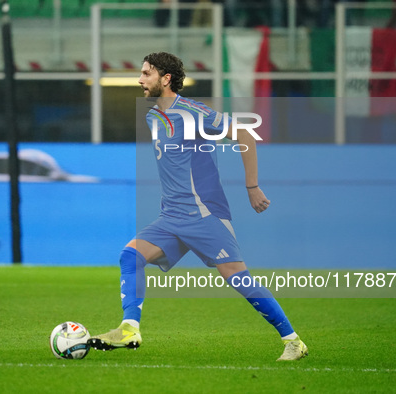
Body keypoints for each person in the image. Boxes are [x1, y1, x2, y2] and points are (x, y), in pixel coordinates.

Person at [88, 52, 308, 361]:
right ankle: (129, 328)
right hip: (172, 216)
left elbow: (244, 133)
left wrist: (252, 186)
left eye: (146, 73)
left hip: (204, 215)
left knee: (237, 278)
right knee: (131, 255)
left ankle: (293, 341)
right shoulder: (153, 117)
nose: (139, 79)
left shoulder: (193, 113)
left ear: (165, 79)